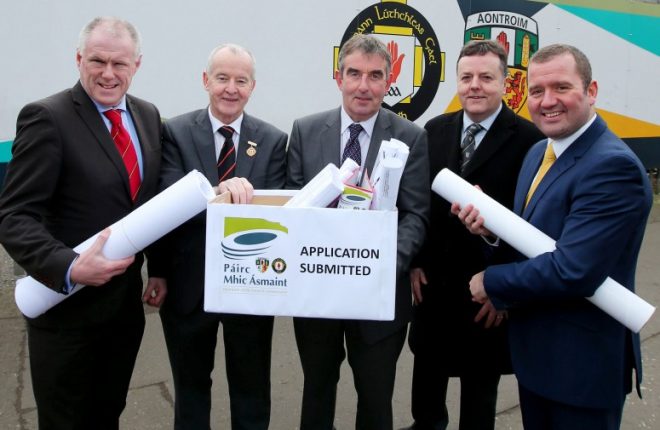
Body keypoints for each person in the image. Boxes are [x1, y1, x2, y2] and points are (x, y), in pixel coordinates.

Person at [454, 44, 652, 430]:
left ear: (591, 91)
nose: (547, 102)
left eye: (561, 87)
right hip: (538, 360)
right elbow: (533, 240)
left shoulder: (613, 167)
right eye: (536, 91)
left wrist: (490, 282)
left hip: (581, 369)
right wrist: (492, 231)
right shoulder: (539, 153)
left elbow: (573, 269)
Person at [0, 17, 163, 429]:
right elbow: (15, 216)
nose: (108, 73)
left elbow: (149, 206)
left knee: (107, 416)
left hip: (123, 314)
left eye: (119, 64)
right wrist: (70, 266)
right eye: (97, 61)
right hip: (65, 317)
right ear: (78, 60)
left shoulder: (147, 116)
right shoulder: (46, 118)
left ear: (137, 65)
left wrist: (158, 271)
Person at [286, 33, 429, 430]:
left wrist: (380, 265)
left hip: (379, 296)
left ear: (388, 81)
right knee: (317, 390)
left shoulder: (410, 138)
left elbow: (416, 215)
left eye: (375, 75)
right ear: (339, 77)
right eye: (354, 74)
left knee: (376, 396)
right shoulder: (305, 130)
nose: (363, 86)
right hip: (317, 293)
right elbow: (293, 211)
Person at [145, 43, 287, 430]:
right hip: (188, 286)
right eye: (222, 78)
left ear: (252, 87)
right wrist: (156, 271)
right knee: (190, 391)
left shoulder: (273, 140)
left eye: (241, 80)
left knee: (252, 389)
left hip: (250, 285)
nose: (231, 88)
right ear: (206, 81)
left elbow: (273, 219)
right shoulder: (174, 131)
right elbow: (168, 203)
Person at [404, 40, 544, 430]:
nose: (475, 86)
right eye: (466, 77)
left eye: (486, 77)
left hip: (487, 291)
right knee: (426, 386)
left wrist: (506, 289)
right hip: (433, 285)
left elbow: (532, 223)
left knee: (479, 395)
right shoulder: (434, 130)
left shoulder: (530, 141)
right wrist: (414, 262)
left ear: (505, 83)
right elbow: (419, 205)